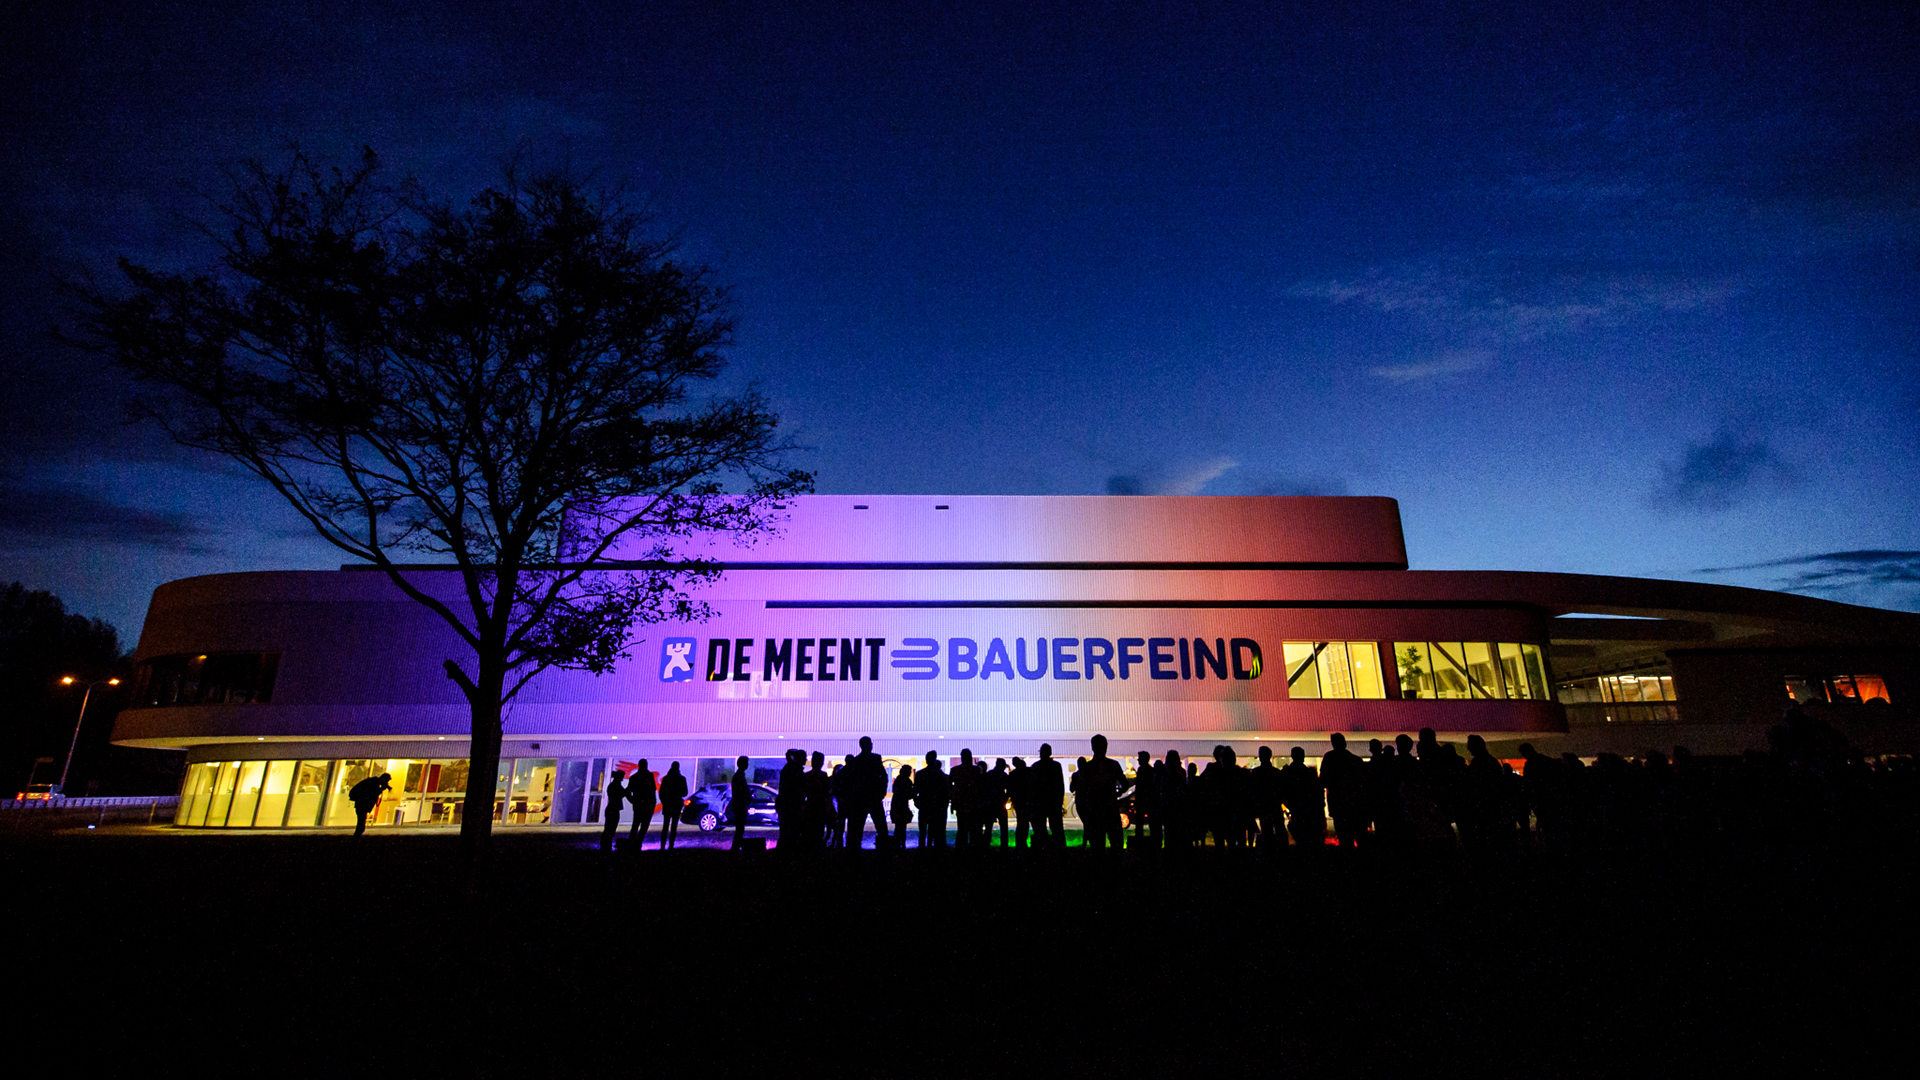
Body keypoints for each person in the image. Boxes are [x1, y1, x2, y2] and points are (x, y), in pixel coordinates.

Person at [1077, 735, 1127, 854]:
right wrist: (1118, 793)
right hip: (1111, 810)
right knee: (1117, 845)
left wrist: (1085, 815)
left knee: (1097, 848)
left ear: (1092, 748)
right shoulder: (1113, 765)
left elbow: (1081, 793)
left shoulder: (1087, 768)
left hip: (1094, 812)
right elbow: (1124, 784)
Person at [846, 736, 891, 850]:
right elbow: (883, 776)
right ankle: (883, 847)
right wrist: (882, 790)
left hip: (862, 798)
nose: (870, 746)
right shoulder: (875, 758)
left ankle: (855, 849)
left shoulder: (857, 761)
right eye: (869, 744)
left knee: (859, 825)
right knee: (879, 825)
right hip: (872, 797)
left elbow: (852, 781)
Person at [1321, 734, 1366, 847]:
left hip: (1338, 803)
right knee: (1360, 835)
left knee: (1344, 838)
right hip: (1355, 803)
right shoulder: (1355, 760)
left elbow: (1324, 780)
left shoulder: (1329, 758)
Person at [1280, 747, 1325, 848]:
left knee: (1300, 839)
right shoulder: (1309, 774)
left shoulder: (1287, 773)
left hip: (1296, 810)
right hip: (1309, 811)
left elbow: (1283, 792)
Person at [1032, 744, 1066, 851]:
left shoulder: (1036, 767)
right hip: (1053, 802)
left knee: (1040, 828)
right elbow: (1060, 785)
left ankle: (1042, 850)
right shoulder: (1056, 766)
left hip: (1040, 802)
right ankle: (1060, 851)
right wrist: (1060, 801)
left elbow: (1032, 786)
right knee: (1057, 829)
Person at [1249, 747, 1284, 849]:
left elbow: (1253, 790)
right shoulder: (1276, 772)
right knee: (1279, 828)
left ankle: (1268, 850)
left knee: (1266, 828)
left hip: (1263, 805)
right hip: (1275, 805)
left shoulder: (1256, 773)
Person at [914, 752, 950, 849]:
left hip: (925, 805)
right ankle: (935, 848)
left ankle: (922, 847)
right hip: (937, 806)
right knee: (935, 828)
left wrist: (916, 801)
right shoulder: (940, 775)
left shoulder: (921, 774)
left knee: (923, 829)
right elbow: (946, 791)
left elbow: (915, 790)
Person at [776, 749, 807, 853]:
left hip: (787, 806)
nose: (806, 760)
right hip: (791, 806)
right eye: (804, 757)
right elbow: (796, 790)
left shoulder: (788, 770)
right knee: (791, 832)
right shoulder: (795, 771)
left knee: (786, 832)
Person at [349, 771, 392, 837]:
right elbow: (372, 794)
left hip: (361, 805)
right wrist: (381, 789)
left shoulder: (373, 782)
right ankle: (354, 841)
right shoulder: (373, 783)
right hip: (362, 806)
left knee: (361, 825)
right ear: (383, 779)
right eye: (387, 780)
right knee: (361, 826)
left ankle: (355, 840)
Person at [1131, 750, 1160, 849]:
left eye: (1139, 758)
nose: (1138, 760)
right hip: (1150, 800)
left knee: (1139, 822)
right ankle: (1154, 841)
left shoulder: (1141, 770)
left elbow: (1139, 786)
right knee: (1152, 822)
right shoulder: (1151, 771)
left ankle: (1139, 840)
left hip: (1142, 800)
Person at [626, 759, 656, 854]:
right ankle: (638, 844)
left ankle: (631, 844)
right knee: (644, 826)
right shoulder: (649, 776)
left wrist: (633, 801)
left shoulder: (634, 777)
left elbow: (628, 791)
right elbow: (653, 790)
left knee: (635, 825)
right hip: (648, 805)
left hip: (638, 805)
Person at [657, 762, 688, 851]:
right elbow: (685, 792)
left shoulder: (666, 779)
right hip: (676, 805)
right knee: (674, 826)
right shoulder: (681, 779)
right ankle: (671, 845)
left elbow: (661, 793)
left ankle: (662, 846)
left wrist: (664, 801)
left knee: (665, 825)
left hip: (668, 804)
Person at [1009, 757, 1033, 849]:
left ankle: (1020, 843)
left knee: (1021, 823)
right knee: (1029, 822)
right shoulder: (1029, 772)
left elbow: (1011, 789)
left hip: (1019, 802)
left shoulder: (1013, 774)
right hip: (1029, 801)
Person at [891, 763, 916, 848]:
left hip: (896, 805)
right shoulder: (907, 781)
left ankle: (897, 843)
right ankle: (901, 843)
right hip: (902, 806)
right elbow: (908, 795)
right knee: (902, 826)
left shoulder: (898, 780)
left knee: (898, 826)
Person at [730, 755, 752, 851]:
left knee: (740, 828)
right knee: (740, 828)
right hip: (740, 805)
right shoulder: (739, 777)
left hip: (739, 805)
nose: (747, 765)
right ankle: (735, 847)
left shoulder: (738, 776)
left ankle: (736, 847)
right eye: (746, 763)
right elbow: (740, 792)